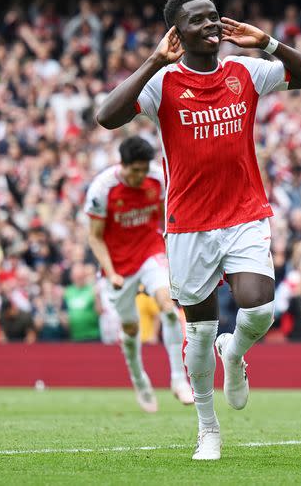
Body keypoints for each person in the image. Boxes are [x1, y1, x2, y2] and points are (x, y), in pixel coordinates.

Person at [95, 0, 301, 460]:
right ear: (178, 32)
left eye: (214, 16)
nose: (211, 25)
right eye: (198, 20)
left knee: (259, 309)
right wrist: (154, 62)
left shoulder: (245, 71)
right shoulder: (165, 82)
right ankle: (208, 427)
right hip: (189, 225)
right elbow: (106, 117)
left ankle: (234, 352)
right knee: (197, 335)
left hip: (243, 213)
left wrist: (268, 43)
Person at [84, 136, 193, 412]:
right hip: (118, 265)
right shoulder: (102, 189)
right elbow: (95, 238)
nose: (140, 176)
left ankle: (179, 379)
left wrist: (171, 251)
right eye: (135, 171)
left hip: (149, 252)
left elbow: (165, 217)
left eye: (144, 170)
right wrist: (110, 272)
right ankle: (139, 380)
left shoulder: (158, 180)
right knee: (130, 327)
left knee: (168, 306)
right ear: (123, 165)